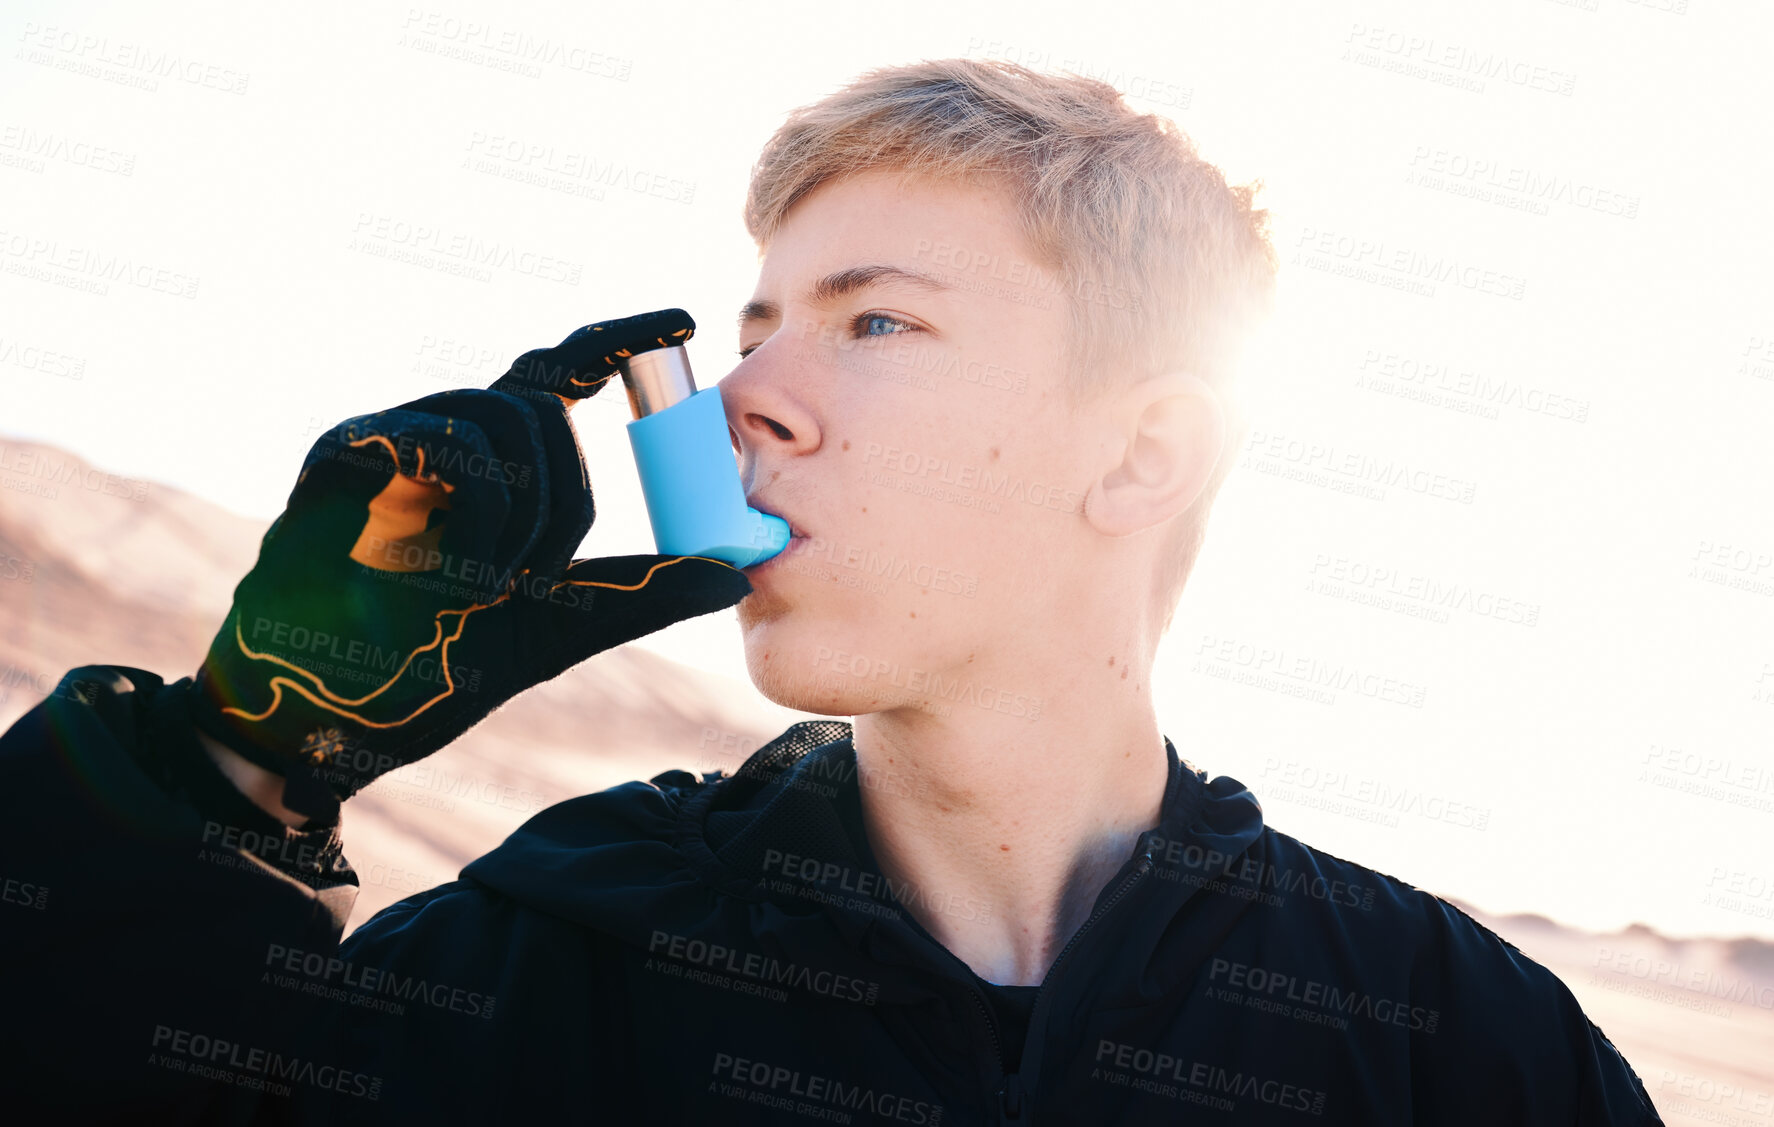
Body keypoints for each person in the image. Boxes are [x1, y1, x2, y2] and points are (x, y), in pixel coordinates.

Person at [0, 58, 1662, 1124]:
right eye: (750, 336)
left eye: (875, 322)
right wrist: (232, 762)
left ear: (1145, 453)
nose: (743, 406)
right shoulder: (544, 958)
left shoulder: (1446, 1039)